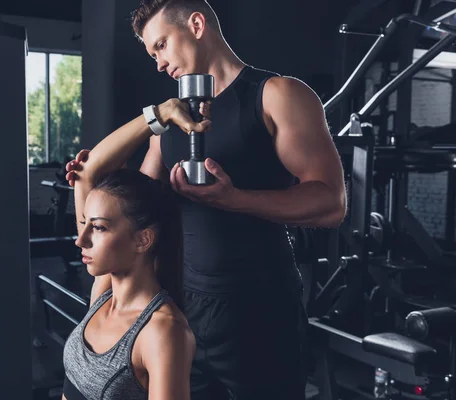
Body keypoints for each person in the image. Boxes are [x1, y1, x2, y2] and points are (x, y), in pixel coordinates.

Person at [67, 0, 347, 398]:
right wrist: (91, 172)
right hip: (186, 304)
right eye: (152, 54)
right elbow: (137, 201)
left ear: (197, 24)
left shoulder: (276, 94)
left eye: (161, 45)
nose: (159, 63)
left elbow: (331, 203)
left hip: (260, 309)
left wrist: (234, 199)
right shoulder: (173, 120)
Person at [61, 96, 214, 400]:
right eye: (85, 224)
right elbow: (86, 173)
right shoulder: (104, 294)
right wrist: (160, 114)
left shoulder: (162, 331)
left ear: (143, 240)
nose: (81, 239)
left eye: (99, 227)